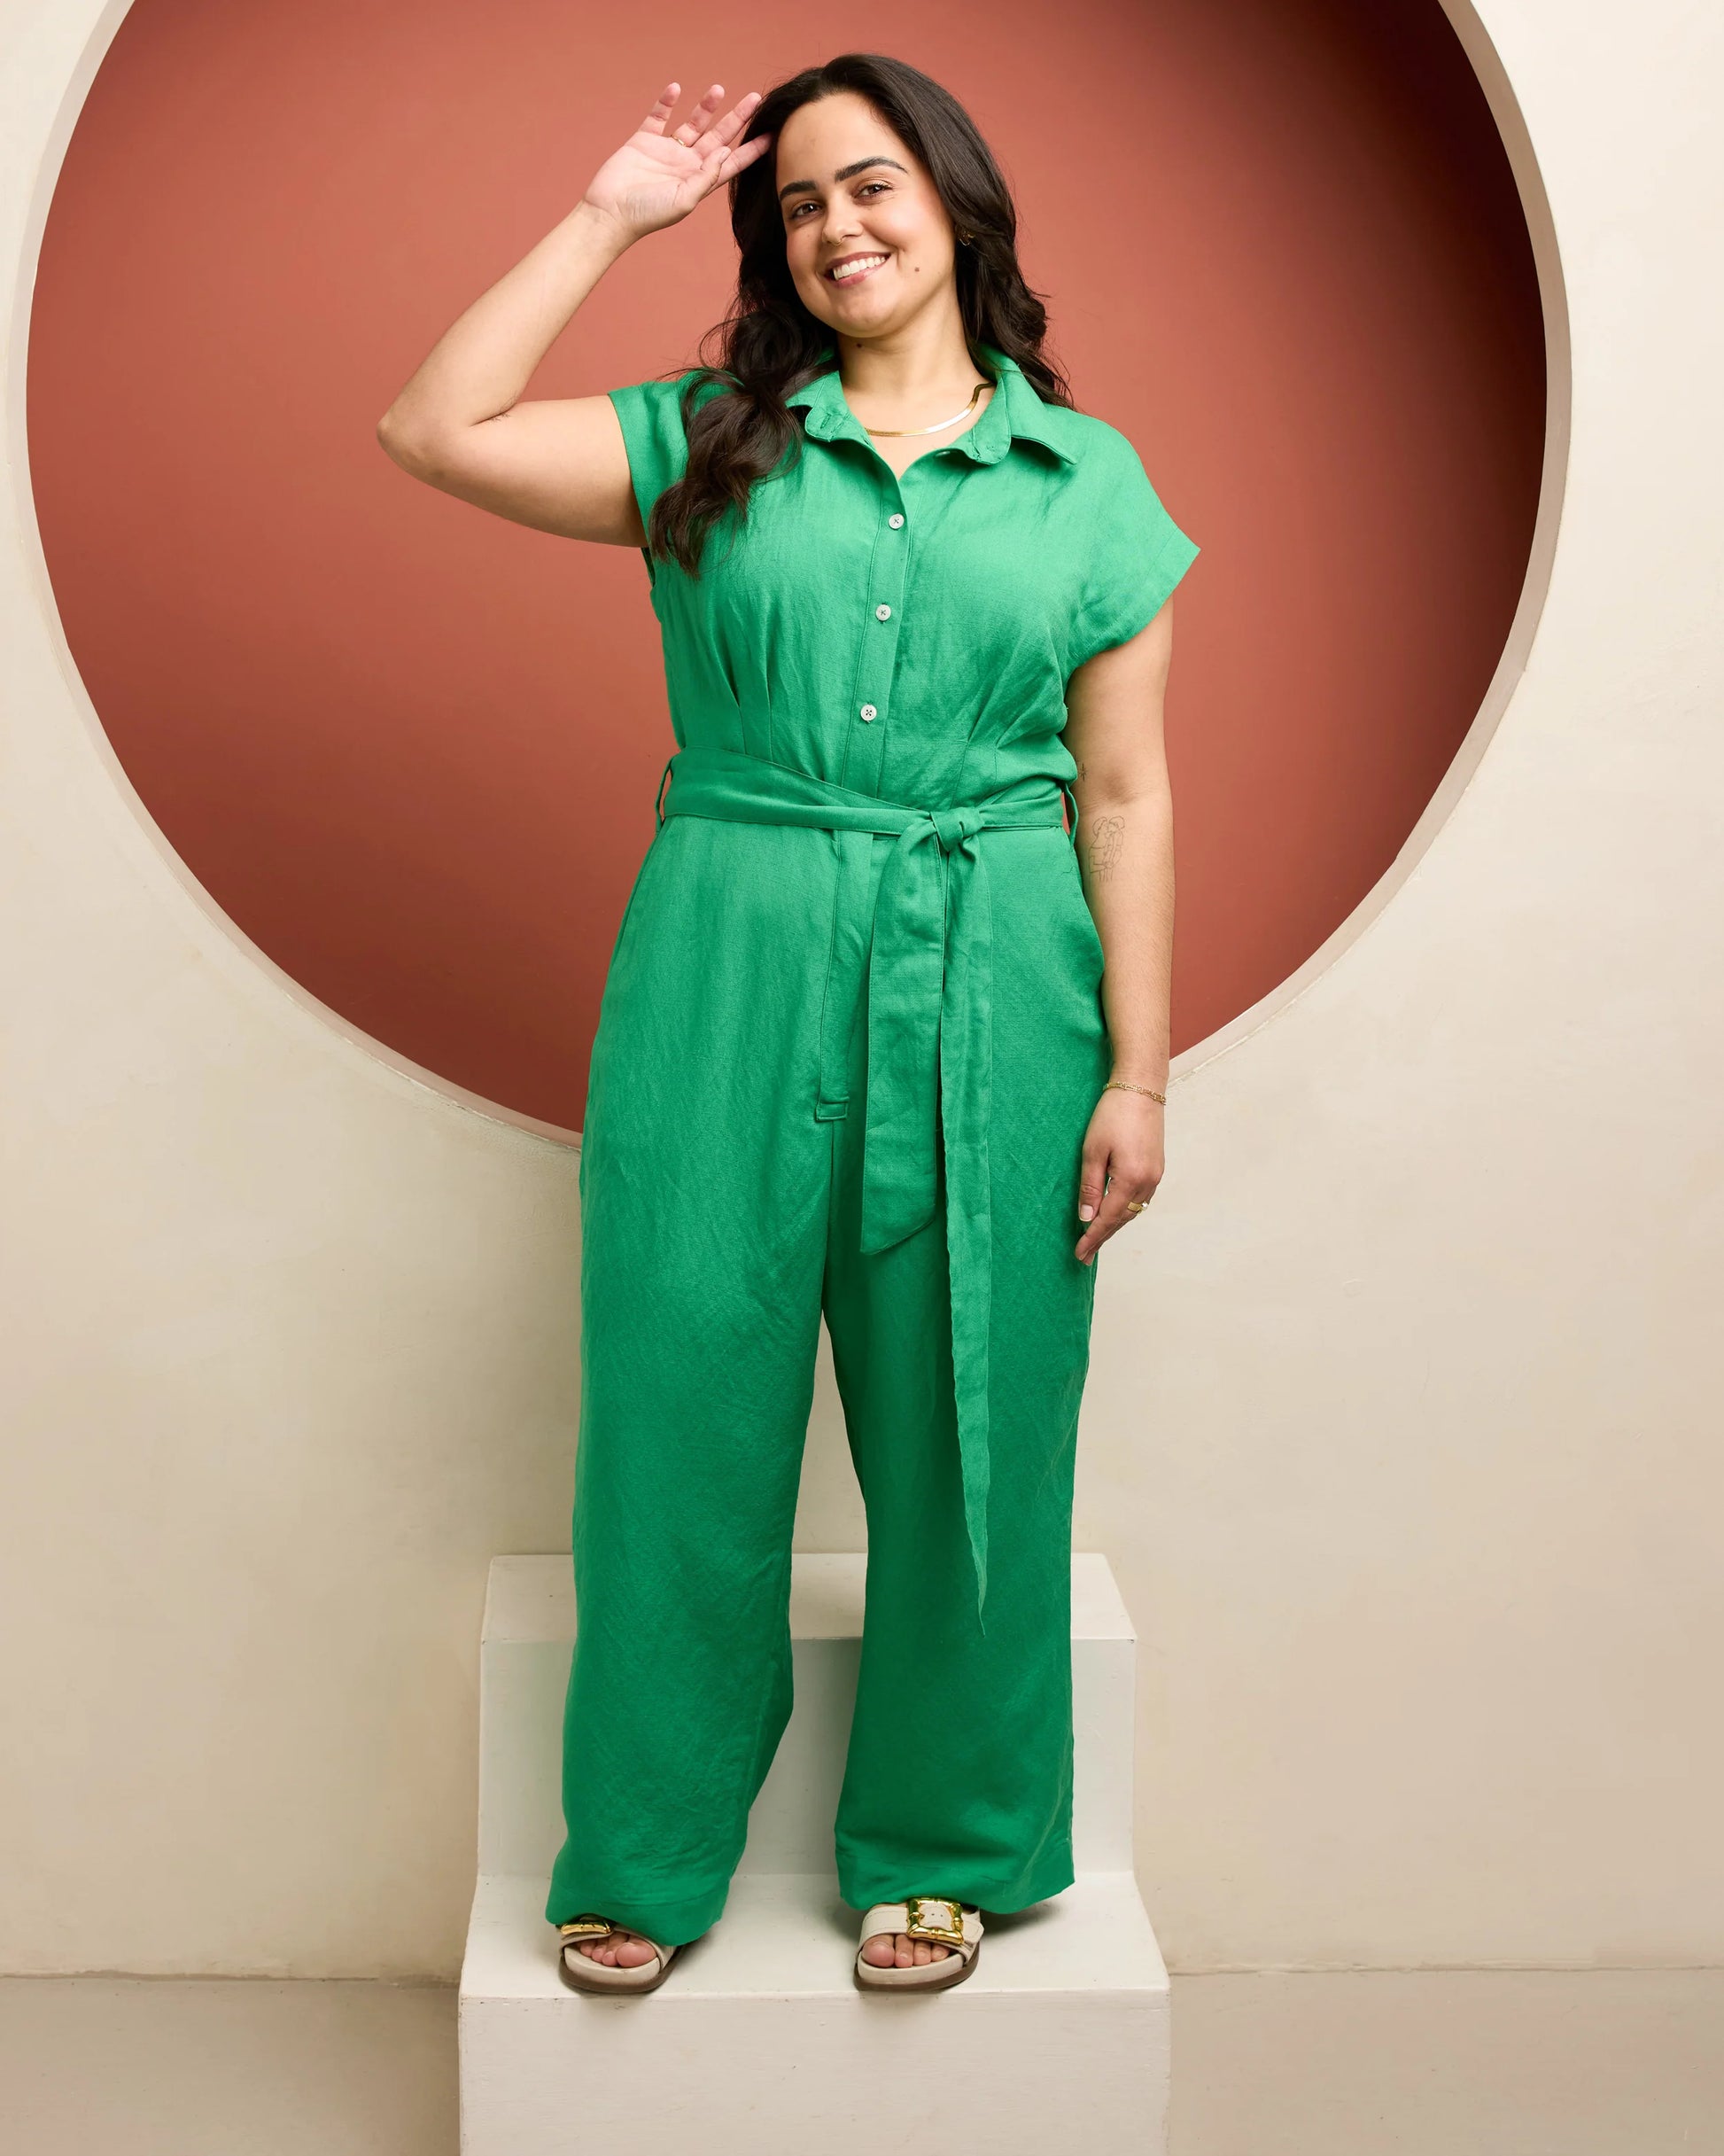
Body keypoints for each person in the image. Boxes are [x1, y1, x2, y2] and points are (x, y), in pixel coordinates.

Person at [377, 51, 1198, 1997]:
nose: (838, 225)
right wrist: (608, 216)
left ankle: (948, 1844)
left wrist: (1137, 1071)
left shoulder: (1089, 485)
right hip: (724, 957)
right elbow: (432, 426)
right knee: (678, 1399)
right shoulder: (708, 442)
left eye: (874, 184)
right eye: (801, 201)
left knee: (978, 1418)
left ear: (958, 204)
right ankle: (645, 1847)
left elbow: (1123, 795)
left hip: (996, 967)